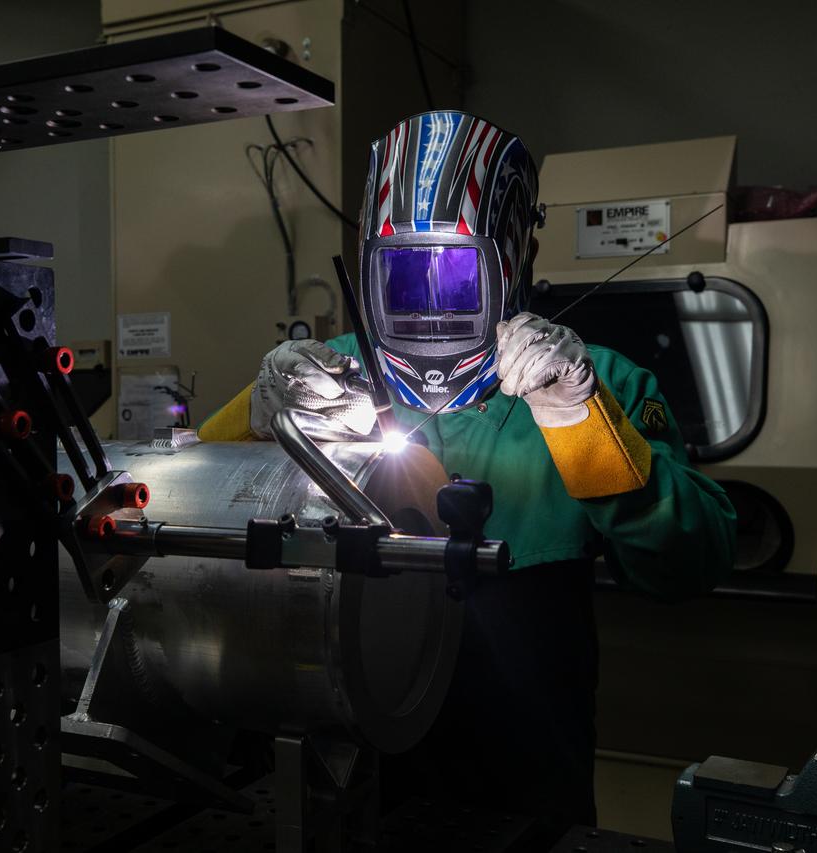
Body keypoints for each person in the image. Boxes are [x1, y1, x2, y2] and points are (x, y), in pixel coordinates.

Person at [197, 110, 736, 837]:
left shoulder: (595, 382)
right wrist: (255, 420)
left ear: (519, 254)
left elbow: (692, 562)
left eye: (455, 272)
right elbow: (187, 522)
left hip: (526, 777)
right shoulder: (328, 375)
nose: (428, 302)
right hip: (348, 772)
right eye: (405, 271)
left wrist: (580, 417)